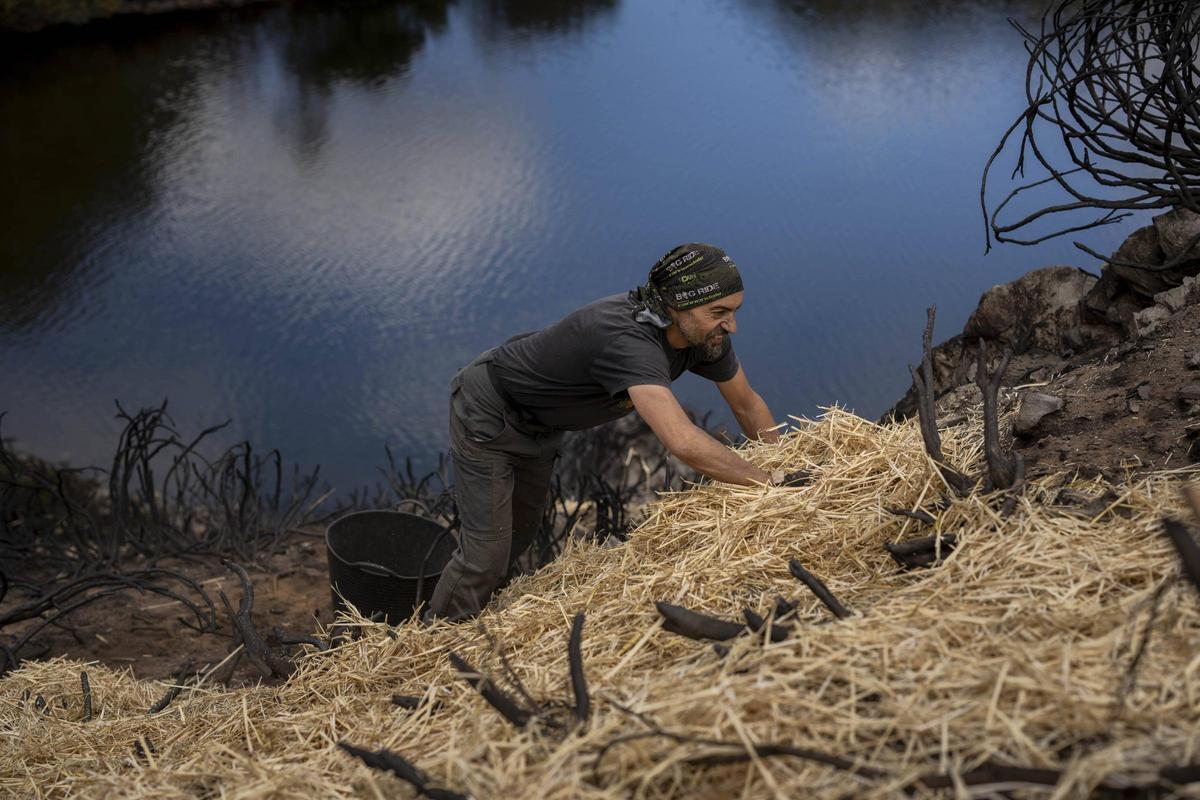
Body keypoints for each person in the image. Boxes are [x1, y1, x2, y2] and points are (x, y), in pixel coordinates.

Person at [427, 243, 796, 622]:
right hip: (491, 408)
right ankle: (436, 641)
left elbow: (747, 405)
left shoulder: (705, 337)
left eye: (734, 311)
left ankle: (478, 617)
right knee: (485, 553)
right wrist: (766, 482)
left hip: (543, 424)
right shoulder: (629, 341)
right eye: (718, 312)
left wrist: (788, 467)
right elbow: (682, 441)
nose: (731, 325)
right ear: (674, 306)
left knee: (518, 534)